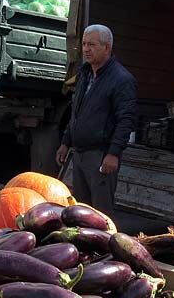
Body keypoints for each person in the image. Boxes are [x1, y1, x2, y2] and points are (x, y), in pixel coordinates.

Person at [55, 24, 137, 214]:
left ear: (106, 48)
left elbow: (126, 121)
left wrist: (113, 153)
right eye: (84, 44)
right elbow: (77, 112)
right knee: (81, 212)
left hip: (101, 156)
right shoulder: (84, 74)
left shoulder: (122, 80)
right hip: (80, 153)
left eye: (91, 44)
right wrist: (66, 142)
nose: (85, 49)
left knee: (100, 214)